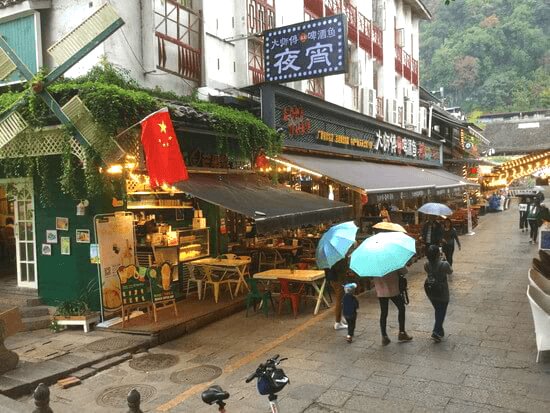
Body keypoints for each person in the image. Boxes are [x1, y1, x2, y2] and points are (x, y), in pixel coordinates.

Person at [372, 267, 412, 345]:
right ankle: (402, 332)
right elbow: (404, 271)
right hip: (393, 289)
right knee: (401, 308)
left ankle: (384, 336)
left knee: (384, 313)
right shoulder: (393, 259)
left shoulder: (374, 263)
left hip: (381, 291)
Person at [424, 245, 453, 342]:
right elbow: (450, 271)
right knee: (441, 311)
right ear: (438, 254)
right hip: (442, 291)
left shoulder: (426, 264)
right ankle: (435, 331)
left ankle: (440, 330)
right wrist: (444, 260)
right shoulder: (444, 264)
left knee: (438, 310)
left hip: (431, 291)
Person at [325, 256, 350, 330]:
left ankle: (340, 318)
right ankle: (338, 322)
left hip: (334, 279)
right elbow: (342, 268)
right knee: (340, 301)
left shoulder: (332, 254)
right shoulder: (339, 257)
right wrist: (346, 261)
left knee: (342, 299)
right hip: (339, 280)